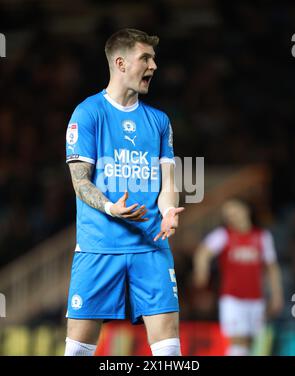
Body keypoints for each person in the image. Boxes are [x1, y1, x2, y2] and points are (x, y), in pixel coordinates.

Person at [64, 28, 184, 356]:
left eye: (154, 59)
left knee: (170, 351)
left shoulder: (160, 121)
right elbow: (80, 181)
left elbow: (167, 183)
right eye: (145, 58)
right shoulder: (88, 113)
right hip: (98, 247)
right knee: (77, 352)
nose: (154, 66)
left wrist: (169, 209)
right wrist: (110, 208)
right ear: (120, 63)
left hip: (151, 247)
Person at [193, 199, 283, 356]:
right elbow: (202, 253)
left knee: (252, 341)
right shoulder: (222, 235)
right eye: (228, 215)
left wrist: (277, 294)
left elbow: (272, 268)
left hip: (256, 298)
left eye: (234, 211)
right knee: (237, 339)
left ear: (245, 210)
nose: (231, 216)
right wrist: (202, 272)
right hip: (232, 298)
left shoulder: (262, 236)